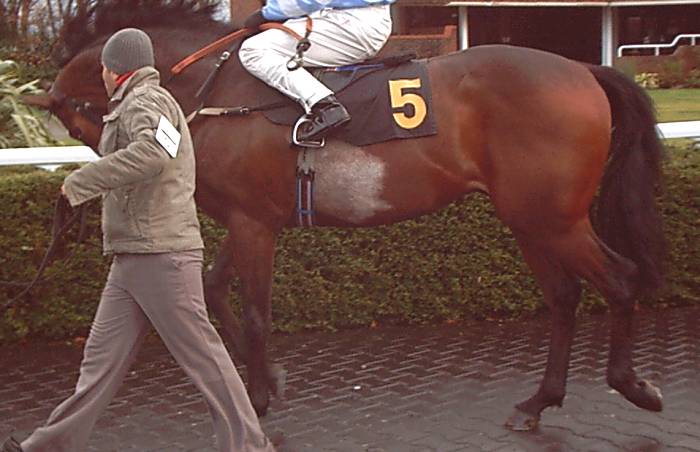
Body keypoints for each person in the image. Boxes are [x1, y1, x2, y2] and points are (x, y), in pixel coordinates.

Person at [1, 28, 274, 452]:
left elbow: (154, 154)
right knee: (99, 364)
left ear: (115, 69)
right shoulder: (140, 103)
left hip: (161, 255)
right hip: (133, 256)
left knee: (205, 359)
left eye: (105, 68)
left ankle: (250, 446)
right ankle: (50, 445)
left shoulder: (146, 102)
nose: (103, 74)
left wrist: (83, 181)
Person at [239, 0, 395, 142]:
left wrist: (267, 14)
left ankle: (325, 107)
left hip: (350, 22)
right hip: (351, 16)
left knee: (253, 49)